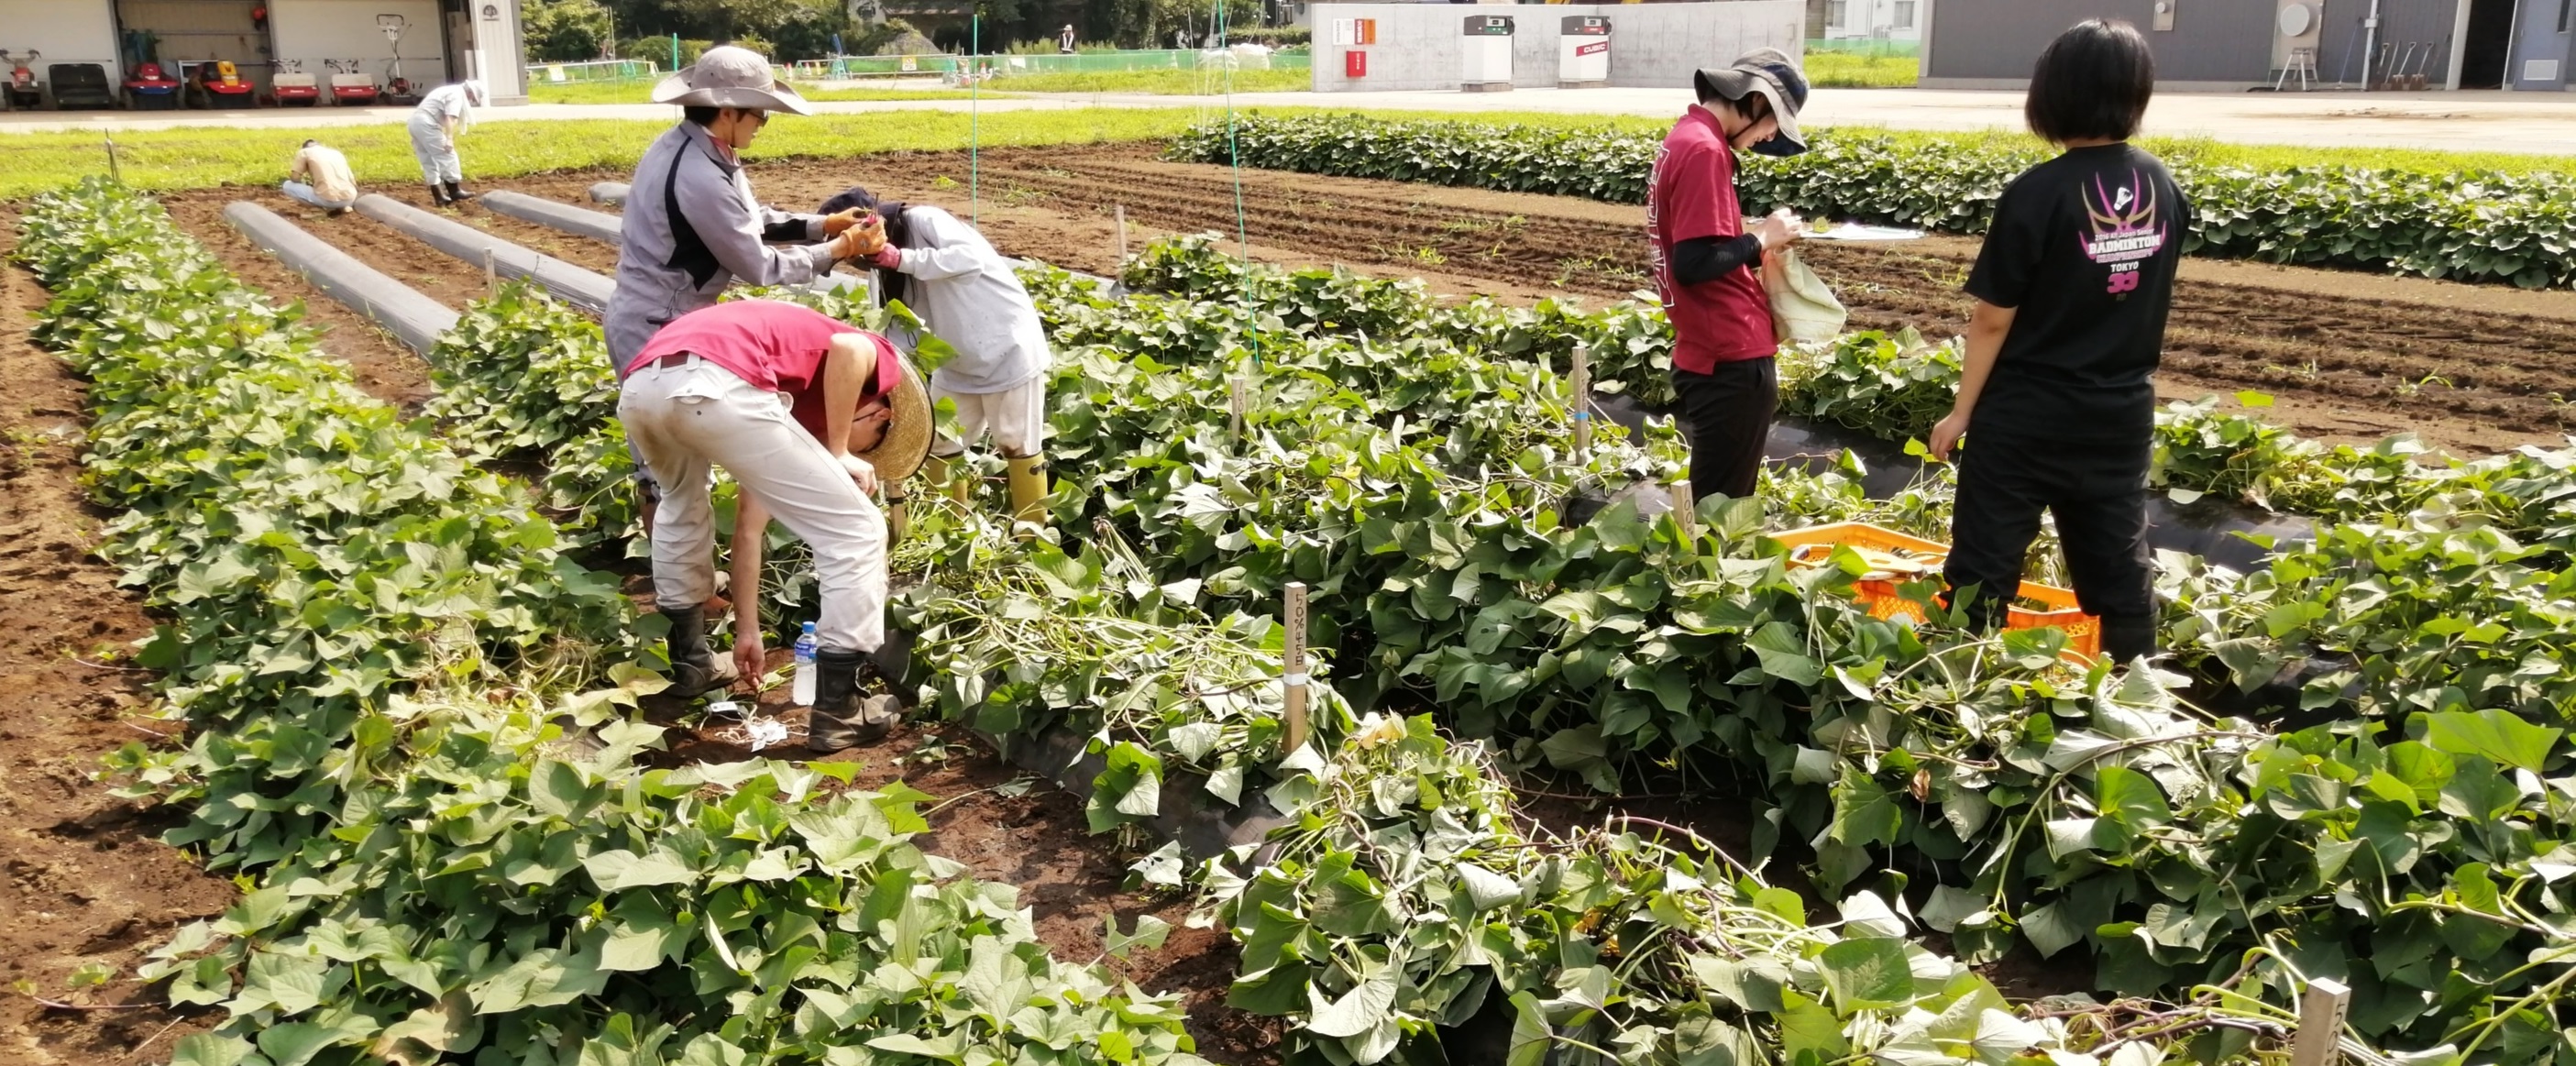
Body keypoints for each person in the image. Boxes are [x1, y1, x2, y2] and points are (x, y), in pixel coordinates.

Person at [1927, 19, 2185, 665]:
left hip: (2028, 415)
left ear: (2053, 96)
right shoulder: (2163, 188)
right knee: (2120, 572)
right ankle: (2138, 701)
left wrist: (1962, 412)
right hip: (2119, 414)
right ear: (2135, 94)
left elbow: (1992, 318)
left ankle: (1955, 701)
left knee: (1982, 574)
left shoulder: (2037, 193)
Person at [608, 45, 886, 531]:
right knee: (668, 475)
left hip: (666, 314)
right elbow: (757, 265)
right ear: (729, 111)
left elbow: (750, 221)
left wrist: (822, 226)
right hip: (656, 322)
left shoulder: (701, 150)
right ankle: (682, 592)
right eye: (760, 114)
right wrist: (839, 250)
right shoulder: (699, 174)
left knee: (678, 470)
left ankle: (686, 583)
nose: (762, 124)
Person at [619, 298, 907, 750]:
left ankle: (692, 661)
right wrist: (838, 452)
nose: (865, 453)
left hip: (642, 388)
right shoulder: (876, 361)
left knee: (680, 500)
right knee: (857, 530)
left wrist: (747, 630)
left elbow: (749, 528)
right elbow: (850, 346)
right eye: (870, 443)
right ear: (880, 412)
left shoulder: (777, 398)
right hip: (714, 384)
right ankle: (840, 708)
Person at [817, 186, 1055, 529]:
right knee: (940, 440)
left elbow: (969, 259)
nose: (850, 259)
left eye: (849, 248)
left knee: (1016, 442)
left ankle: (1032, 539)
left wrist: (901, 259)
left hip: (1007, 348)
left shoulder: (925, 221)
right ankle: (947, 533)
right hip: (955, 362)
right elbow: (894, 332)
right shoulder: (879, 270)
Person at [1648, 48, 1810, 504]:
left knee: (1715, 496)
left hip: (1708, 345)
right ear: (1756, 102)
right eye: (1772, 121)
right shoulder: (1704, 150)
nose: (1770, 135)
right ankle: (1701, 573)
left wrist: (1760, 245)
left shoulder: (1686, 137)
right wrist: (1761, 237)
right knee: (1722, 507)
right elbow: (1695, 264)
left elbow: (1702, 251)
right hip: (1730, 355)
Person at [407, 79, 485, 206]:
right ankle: (454, 191)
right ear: (470, 92)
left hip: (415, 122)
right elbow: (450, 117)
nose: (471, 100)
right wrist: (449, 139)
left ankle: (439, 197)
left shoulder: (447, 90)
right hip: (426, 123)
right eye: (473, 98)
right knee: (447, 155)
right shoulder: (456, 94)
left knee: (428, 161)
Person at [282, 138, 358, 216]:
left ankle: (317, 210)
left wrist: (305, 183)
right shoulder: (336, 153)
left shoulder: (304, 152)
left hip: (328, 200)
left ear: (305, 147)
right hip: (350, 198)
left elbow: (295, 178)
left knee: (287, 185)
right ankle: (343, 207)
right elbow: (353, 181)